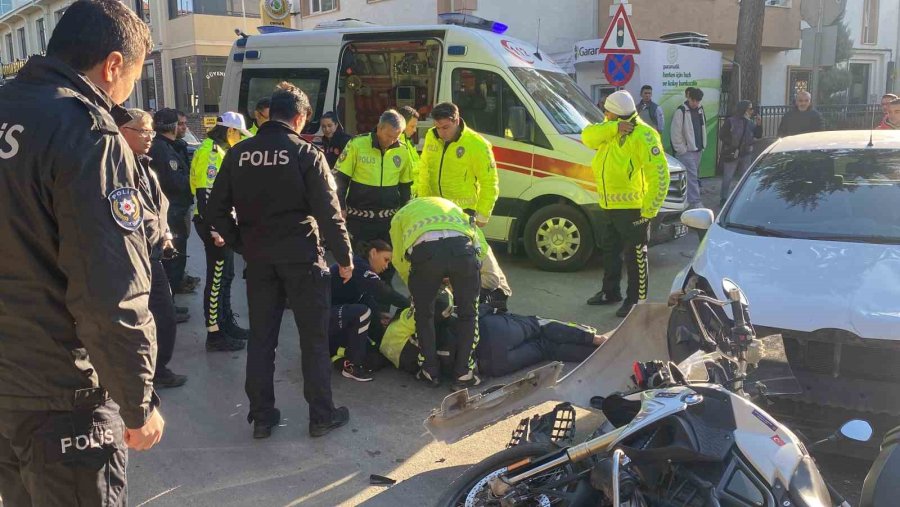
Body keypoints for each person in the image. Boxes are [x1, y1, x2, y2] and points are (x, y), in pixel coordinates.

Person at [0, 1, 164, 503]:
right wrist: (137, 403)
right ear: (113, 65)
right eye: (131, 80)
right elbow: (109, 291)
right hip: (63, 398)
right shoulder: (86, 132)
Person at [206, 82, 354, 440]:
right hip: (303, 258)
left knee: (262, 339)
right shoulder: (307, 154)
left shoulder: (239, 153)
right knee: (313, 340)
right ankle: (321, 415)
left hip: (259, 260)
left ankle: (261, 416)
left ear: (269, 114)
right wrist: (346, 258)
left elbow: (215, 209)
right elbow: (329, 212)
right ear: (300, 118)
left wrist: (242, 242)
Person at [415, 102, 511, 310]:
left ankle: (493, 295)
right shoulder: (432, 137)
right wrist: (421, 203)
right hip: (434, 212)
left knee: (483, 265)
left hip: (463, 216)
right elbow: (424, 172)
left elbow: (489, 182)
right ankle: (448, 304)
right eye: (438, 127)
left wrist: (483, 216)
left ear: (456, 121)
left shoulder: (477, 144)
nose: (441, 133)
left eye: (445, 128)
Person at [583, 90, 670, 317]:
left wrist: (649, 211)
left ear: (614, 111)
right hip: (608, 205)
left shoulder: (644, 135)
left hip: (633, 208)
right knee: (610, 251)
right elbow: (587, 136)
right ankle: (610, 292)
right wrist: (613, 128)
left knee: (636, 256)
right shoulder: (609, 128)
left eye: (607, 110)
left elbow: (660, 175)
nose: (604, 114)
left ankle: (636, 302)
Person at [390, 196, 486, 390]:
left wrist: (415, 288)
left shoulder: (400, 216)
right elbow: (481, 247)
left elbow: (399, 259)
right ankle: (463, 373)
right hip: (463, 251)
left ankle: (429, 371)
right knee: (469, 314)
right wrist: (465, 274)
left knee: (424, 315)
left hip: (426, 255)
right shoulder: (455, 207)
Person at [379, 298, 606, 379]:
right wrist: (490, 308)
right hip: (490, 332)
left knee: (546, 349)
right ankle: (595, 340)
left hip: (489, 366)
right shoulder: (408, 316)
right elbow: (459, 311)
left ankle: (597, 354)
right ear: (385, 320)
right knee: (539, 324)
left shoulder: (390, 353)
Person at [124, 108, 189, 388]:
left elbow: (154, 205)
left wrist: (163, 233)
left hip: (153, 252)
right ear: (123, 132)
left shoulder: (144, 163)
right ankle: (146, 377)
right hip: (133, 258)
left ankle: (157, 369)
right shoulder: (117, 166)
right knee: (149, 318)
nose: (149, 136)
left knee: (163, 315)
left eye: (151, 130)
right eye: (143, 131)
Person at [190, 111, 252, 352]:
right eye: (239, 134)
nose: (240, 139)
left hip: (220, 225)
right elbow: (206, 196)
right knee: (217, 278)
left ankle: (226, 322)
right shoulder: (212, 153)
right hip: (213, 227)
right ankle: (215, 333)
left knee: (226, 276)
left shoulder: (218, 149)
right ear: (230, 131)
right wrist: (217, 231)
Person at [329, 239, 410, 382]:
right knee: (362, 312)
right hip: (319, 316)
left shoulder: (362, 275)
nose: (386, 265)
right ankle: (353, 366)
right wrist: (410, 305)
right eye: (385, 259)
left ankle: (341, 355)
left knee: (368, 306)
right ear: (373, 253)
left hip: (333, 315)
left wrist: (383, 339)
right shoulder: (358, 265)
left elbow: (372, 302)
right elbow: (384, 292)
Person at [335, 109, 414, 243]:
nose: (392, 140)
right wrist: (340, 207)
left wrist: (405, 212)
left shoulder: (403, 150)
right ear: (379, 128)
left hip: (389, 220)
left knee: (388, 262)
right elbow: (340, 179)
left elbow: (405, 187)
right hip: (359, 219)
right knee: (360, 262)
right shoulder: (356, 144)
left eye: (397, 136)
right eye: (389, 136)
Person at [151, 108, 198, 299]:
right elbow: (174, 181)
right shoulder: (163, 149)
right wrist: (193, 180)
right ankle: (170, 299)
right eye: (181, 124)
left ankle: (175, 289)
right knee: (172, 256)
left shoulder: (173, 146)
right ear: (172, 127)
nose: (184, 127)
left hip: (176, 209)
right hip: (173, 210)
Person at [719, 100, 762, 206]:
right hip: (733, 153)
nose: (752, 111)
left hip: (746, 153)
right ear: (744, 109)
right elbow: (722, 135)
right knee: (728, 177)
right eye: (750, 108)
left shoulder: (750, 122)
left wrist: (759, 124)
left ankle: (743, 198)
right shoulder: (731, 121)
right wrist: (733, 144)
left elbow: (758, 135)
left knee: (745, 177)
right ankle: (724, 198)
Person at [670, 87, 706, 208]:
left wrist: (702, 146)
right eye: (693, 100)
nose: (695, 103)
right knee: (692, 176)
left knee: (691, 176)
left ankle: (685, 201)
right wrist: (682, 150)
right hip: (687, 151)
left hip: (698, 149)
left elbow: (702, 128)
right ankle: (695, 201)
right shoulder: (681, 111)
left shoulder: (700, 109)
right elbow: (675, 133)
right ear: (689, 98)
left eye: (698, 101)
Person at [397, 105, 421, 181]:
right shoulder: (394, 145)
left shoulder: (409, 142)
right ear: (402, 125)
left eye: (415, 127)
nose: (414, 130)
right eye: (412, 126)